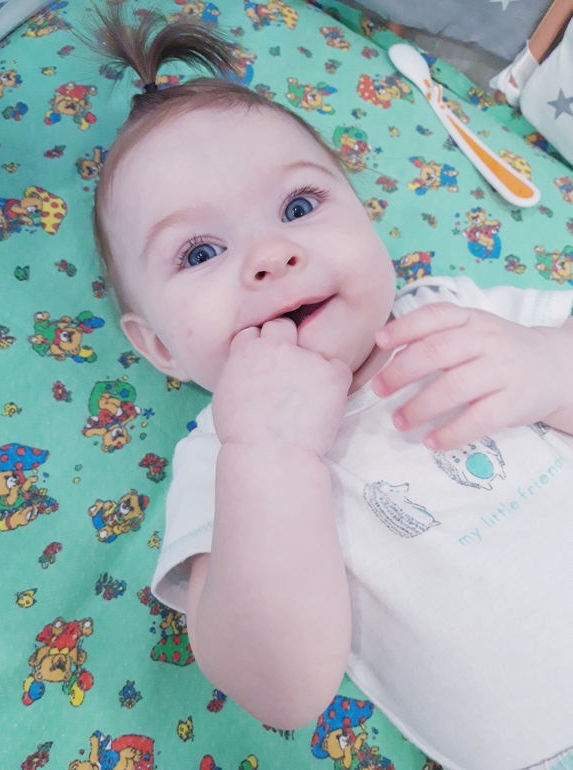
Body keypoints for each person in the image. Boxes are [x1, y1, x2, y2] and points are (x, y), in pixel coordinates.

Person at [91, 8, 573, 770]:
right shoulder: (222, 458)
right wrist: (269, 457)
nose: (271, 254)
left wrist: (549, 366)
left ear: (367, 218)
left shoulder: (453, 310)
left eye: (298, 207)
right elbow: (282, 689)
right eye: (200, 252)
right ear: (158, 348)